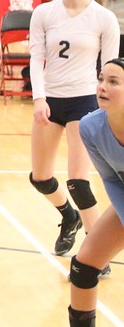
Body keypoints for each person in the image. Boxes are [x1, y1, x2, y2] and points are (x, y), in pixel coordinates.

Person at [29, 0, 120, 263]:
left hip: (84, 101)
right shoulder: (43, 12)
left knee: (78, 181)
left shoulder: (103, 18)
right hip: (51, 99)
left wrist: (106, 109)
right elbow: (35, 58)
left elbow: (109, 69)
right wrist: (39, 98)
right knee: (40, 177)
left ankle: (97, 255)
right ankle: (69, 216)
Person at [69, 57, 124, 327]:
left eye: (113, 82)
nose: (102, 87)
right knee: (83, 266)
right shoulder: (90, 126)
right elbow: (111, 179)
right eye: (101, 79)